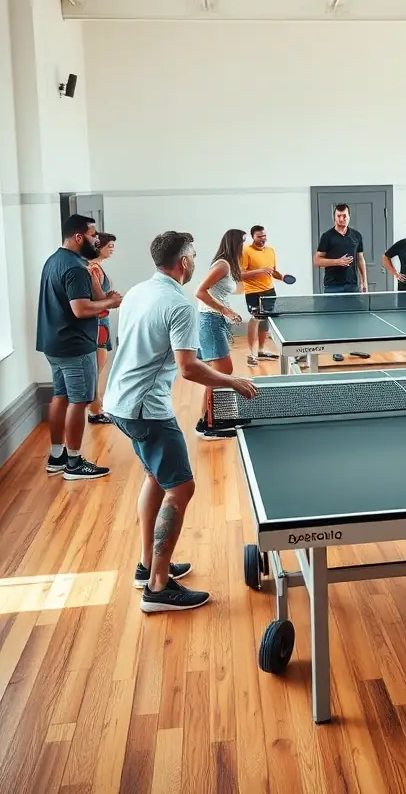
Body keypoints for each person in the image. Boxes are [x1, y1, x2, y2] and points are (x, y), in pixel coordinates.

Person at [103, 231, 258, 613]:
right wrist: (232, 381)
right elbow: (188, 367)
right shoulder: (178, 304)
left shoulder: (139, 290)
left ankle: (148, 565)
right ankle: (157, 587)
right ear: (184, 261)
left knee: (157, 479)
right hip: (147, 410)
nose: (194, 260)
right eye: (192, 254)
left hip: (119, 401)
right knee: (182, 488)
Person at [36, 214, 122, 480]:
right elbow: (81, 309)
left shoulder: (55, 260)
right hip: (75, 346)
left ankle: (57, 455)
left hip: (54, 344)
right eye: (93, 235)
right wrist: (109, 304)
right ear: (78, 236)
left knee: (60, 396)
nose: (97, 239)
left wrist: (100, 291)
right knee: (80, 400)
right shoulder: (74, 268)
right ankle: (74, 462)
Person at [195, 228, 246, 440]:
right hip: (211, 321)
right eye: (242, 242)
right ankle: (209, 424)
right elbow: (200, 291)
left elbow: (235, 287)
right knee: (221, 372)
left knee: (219, 373)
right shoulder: (222, 265)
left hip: (217, 321)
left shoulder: (228, 265)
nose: (244, 246)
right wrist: (226, 310)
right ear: (234, 243)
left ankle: (209, 419)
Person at [314, 203, 369, 361]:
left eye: (344, 215)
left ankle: (354, 348)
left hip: (352, 284)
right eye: (339, 215)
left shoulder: (356, 235)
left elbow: (360, 259)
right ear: (334, 216)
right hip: (333, 285)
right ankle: (336, 349)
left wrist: (364, 281)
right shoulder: (327, 236)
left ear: (349, 216)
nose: (342, 218)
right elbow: (317, 260)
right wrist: (338, 262)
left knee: (353, 317)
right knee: (335, 319)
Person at [241, 225, 285, 366]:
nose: (263, 239)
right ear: (252, 237)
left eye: (264, 236)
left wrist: (282, 277)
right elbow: (240, 274)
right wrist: (260, 270)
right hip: (253, 292)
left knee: (265, 321)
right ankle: (251, 354)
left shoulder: (271, 251)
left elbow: (272, 271)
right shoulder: (246, 251)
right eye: (259, 236)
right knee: (255, 320)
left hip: (269, 291)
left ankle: (260, 351)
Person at [86, 231, 118, 426]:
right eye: (109, 246)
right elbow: (99, 299)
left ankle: (96, 407)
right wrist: (111, 299)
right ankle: (95, 410)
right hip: (98, 321)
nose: (112, 249)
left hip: (102, 320)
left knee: (98, 366)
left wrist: (109, 297)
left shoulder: (97, 268)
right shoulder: (93, 269)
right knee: (96, 368)